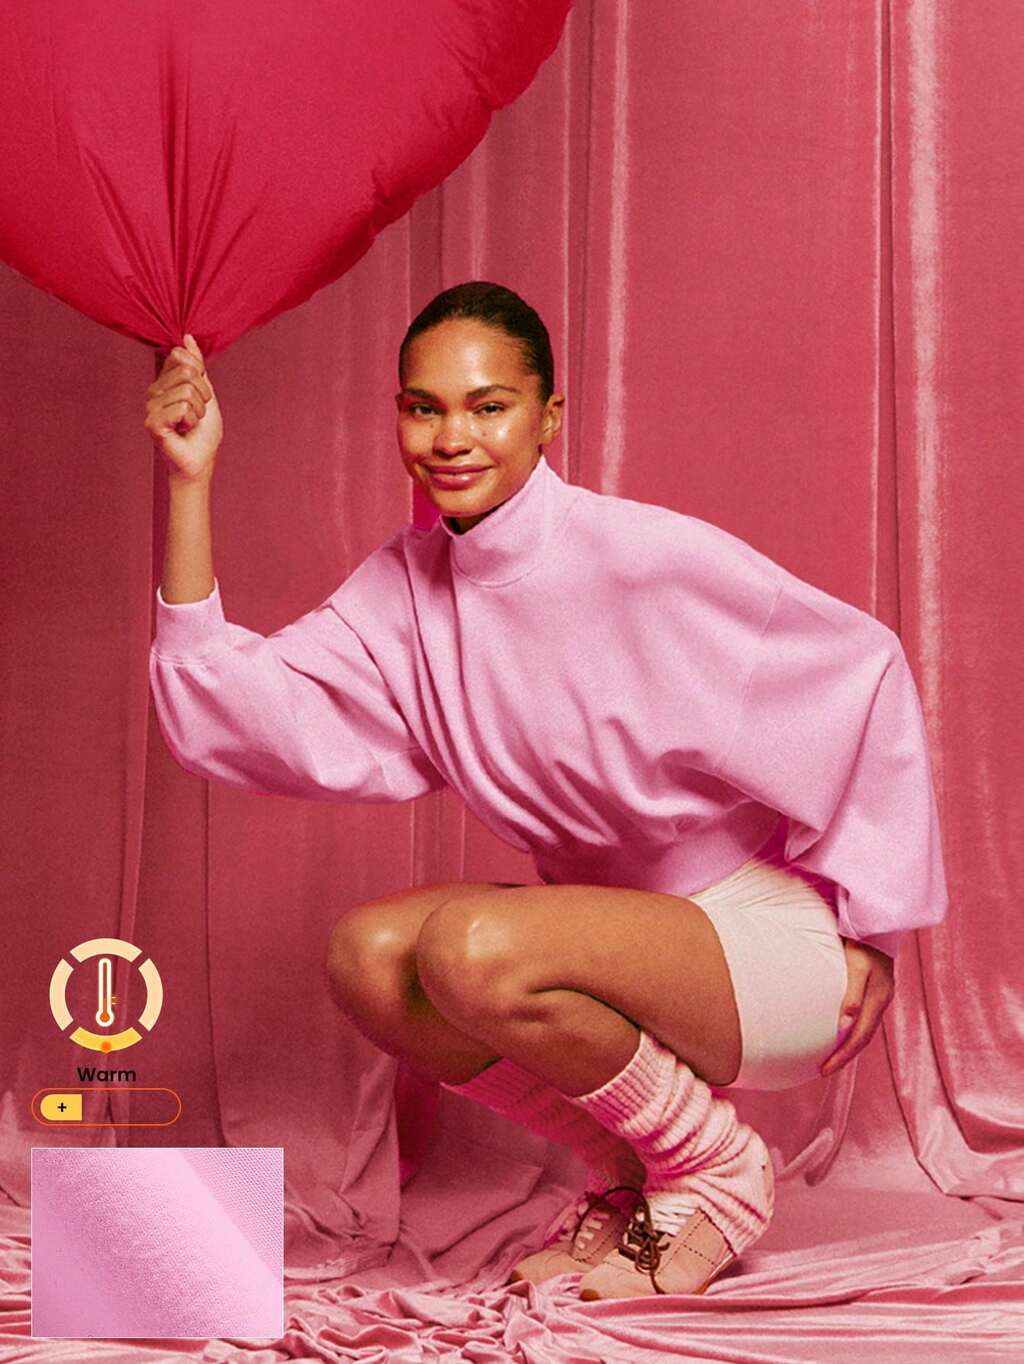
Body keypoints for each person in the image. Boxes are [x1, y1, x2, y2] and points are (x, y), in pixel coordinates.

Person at [146, 282, 948, 1300]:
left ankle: (715, 1170)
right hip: (608, 941)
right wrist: (190, 481)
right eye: (424, 407)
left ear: (548, 416)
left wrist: (875, 926)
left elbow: (861, 667)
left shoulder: (641, 555)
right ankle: (631, 1171)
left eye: (488, 406)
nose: (452, 437)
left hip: (765, 942)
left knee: (469, 945)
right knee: (370, 955)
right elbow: (229, 709)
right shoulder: (403, 588)